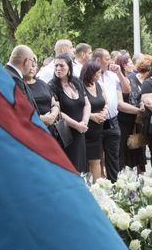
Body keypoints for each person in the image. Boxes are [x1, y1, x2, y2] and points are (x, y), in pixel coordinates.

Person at [92, 48, 132, 181]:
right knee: (96, 157)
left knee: (114, 156)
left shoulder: (112, 75)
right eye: (107, 58)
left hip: (113, 120)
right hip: (97, 121)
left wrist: (119, 73)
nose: (110, 61)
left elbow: (126, 89)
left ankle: (115, 184)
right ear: (98, 60)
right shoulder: (91, 76)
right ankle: (99, 185)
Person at [50, 54, 89, 173]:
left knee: (81, 166)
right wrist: (77, 125)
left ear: (69, 67)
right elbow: (58, 112)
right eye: (56, 65)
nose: (58, 68)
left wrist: (84, 122)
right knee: (70, 167)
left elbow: (87, 104)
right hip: (65, 134)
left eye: (61, 65)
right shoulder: (52, 86)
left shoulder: (76, 81)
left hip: (81, 131)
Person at [81, 61, 107, 180]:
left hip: (98, 130)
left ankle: (97, 187)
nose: (99, 75)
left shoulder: (99, 85)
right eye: (97, 73)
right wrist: (92, 116)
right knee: (85, 162)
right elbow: (77, 108)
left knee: (97, 160)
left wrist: (104, 112)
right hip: (85, 128)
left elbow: (105, 103)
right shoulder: (80, 86)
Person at [22, 53, 61, 129]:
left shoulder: (42, 83)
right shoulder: (20, 85)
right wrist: (44, 119)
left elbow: (55, 103)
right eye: (29, 66)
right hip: (33, 128)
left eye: (33, 66)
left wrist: (52, 116)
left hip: (52, 128)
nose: (31, 68)